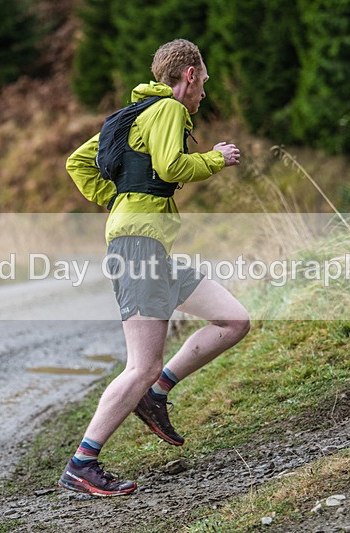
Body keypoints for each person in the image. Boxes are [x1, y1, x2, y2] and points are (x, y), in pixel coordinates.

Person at [59, 38, 250, 496]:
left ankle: (157, 393)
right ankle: (82, 464)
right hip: (138, 247)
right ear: (188, 76)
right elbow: (169, 166)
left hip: (149, 244)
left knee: (233, 319)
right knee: (141, 364)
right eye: (203, 82)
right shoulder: (167, 111)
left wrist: (118, 200)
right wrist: (215, 159)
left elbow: (78, 162)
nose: (203, 93)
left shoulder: (133, 115)